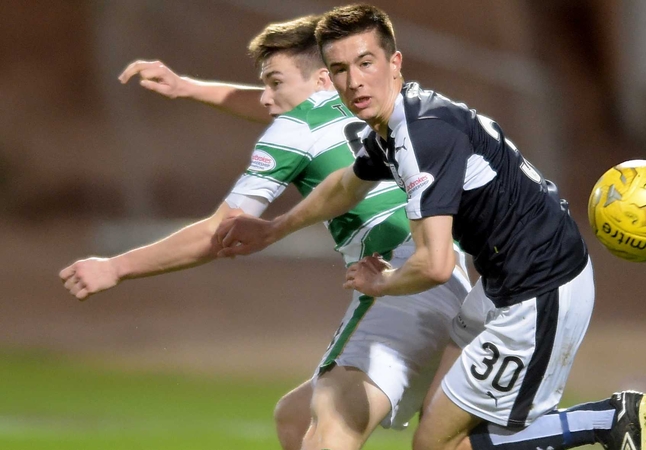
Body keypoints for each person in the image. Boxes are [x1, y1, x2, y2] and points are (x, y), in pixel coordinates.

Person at [215, 4, 646, 450]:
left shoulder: (422, 135)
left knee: (436, 444)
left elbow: (435, 264)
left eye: (365, 63)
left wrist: (381, 283)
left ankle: (606, 419)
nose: (354, 81)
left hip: (541, 287)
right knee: (439, 425)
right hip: (503, 281)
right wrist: (273, 229)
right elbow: (345, 186)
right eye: (341, 69)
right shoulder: (396, 124)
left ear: (394, 62)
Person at [58, 15, 471, 450]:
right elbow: (282, 107)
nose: (266, 98)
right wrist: (188, 88)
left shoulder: (295, 128)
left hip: (394, 278)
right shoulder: (376, 102)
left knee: (332, 423)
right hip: (454, 272)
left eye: (275, 82)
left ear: (322, 79)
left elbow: (221, 233)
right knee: (299, 417)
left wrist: (116, 268)